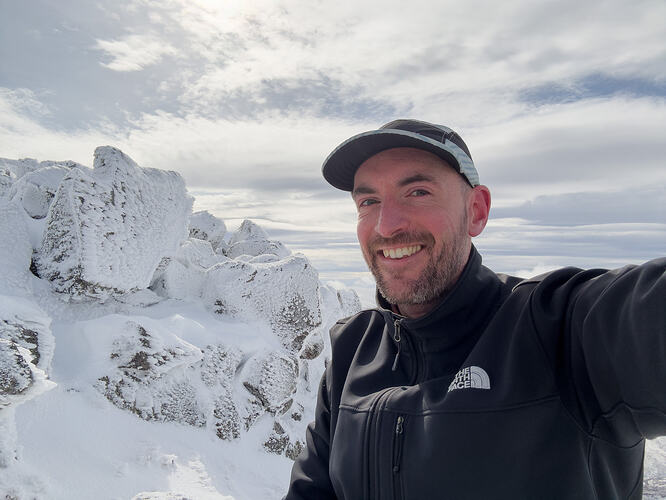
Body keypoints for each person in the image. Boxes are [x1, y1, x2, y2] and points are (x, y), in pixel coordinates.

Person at [285, 119, 665, 499]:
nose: (386, 226)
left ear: (477, 211)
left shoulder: (558, 327)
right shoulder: (354, 348)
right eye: (368, 201)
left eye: (417, 192)